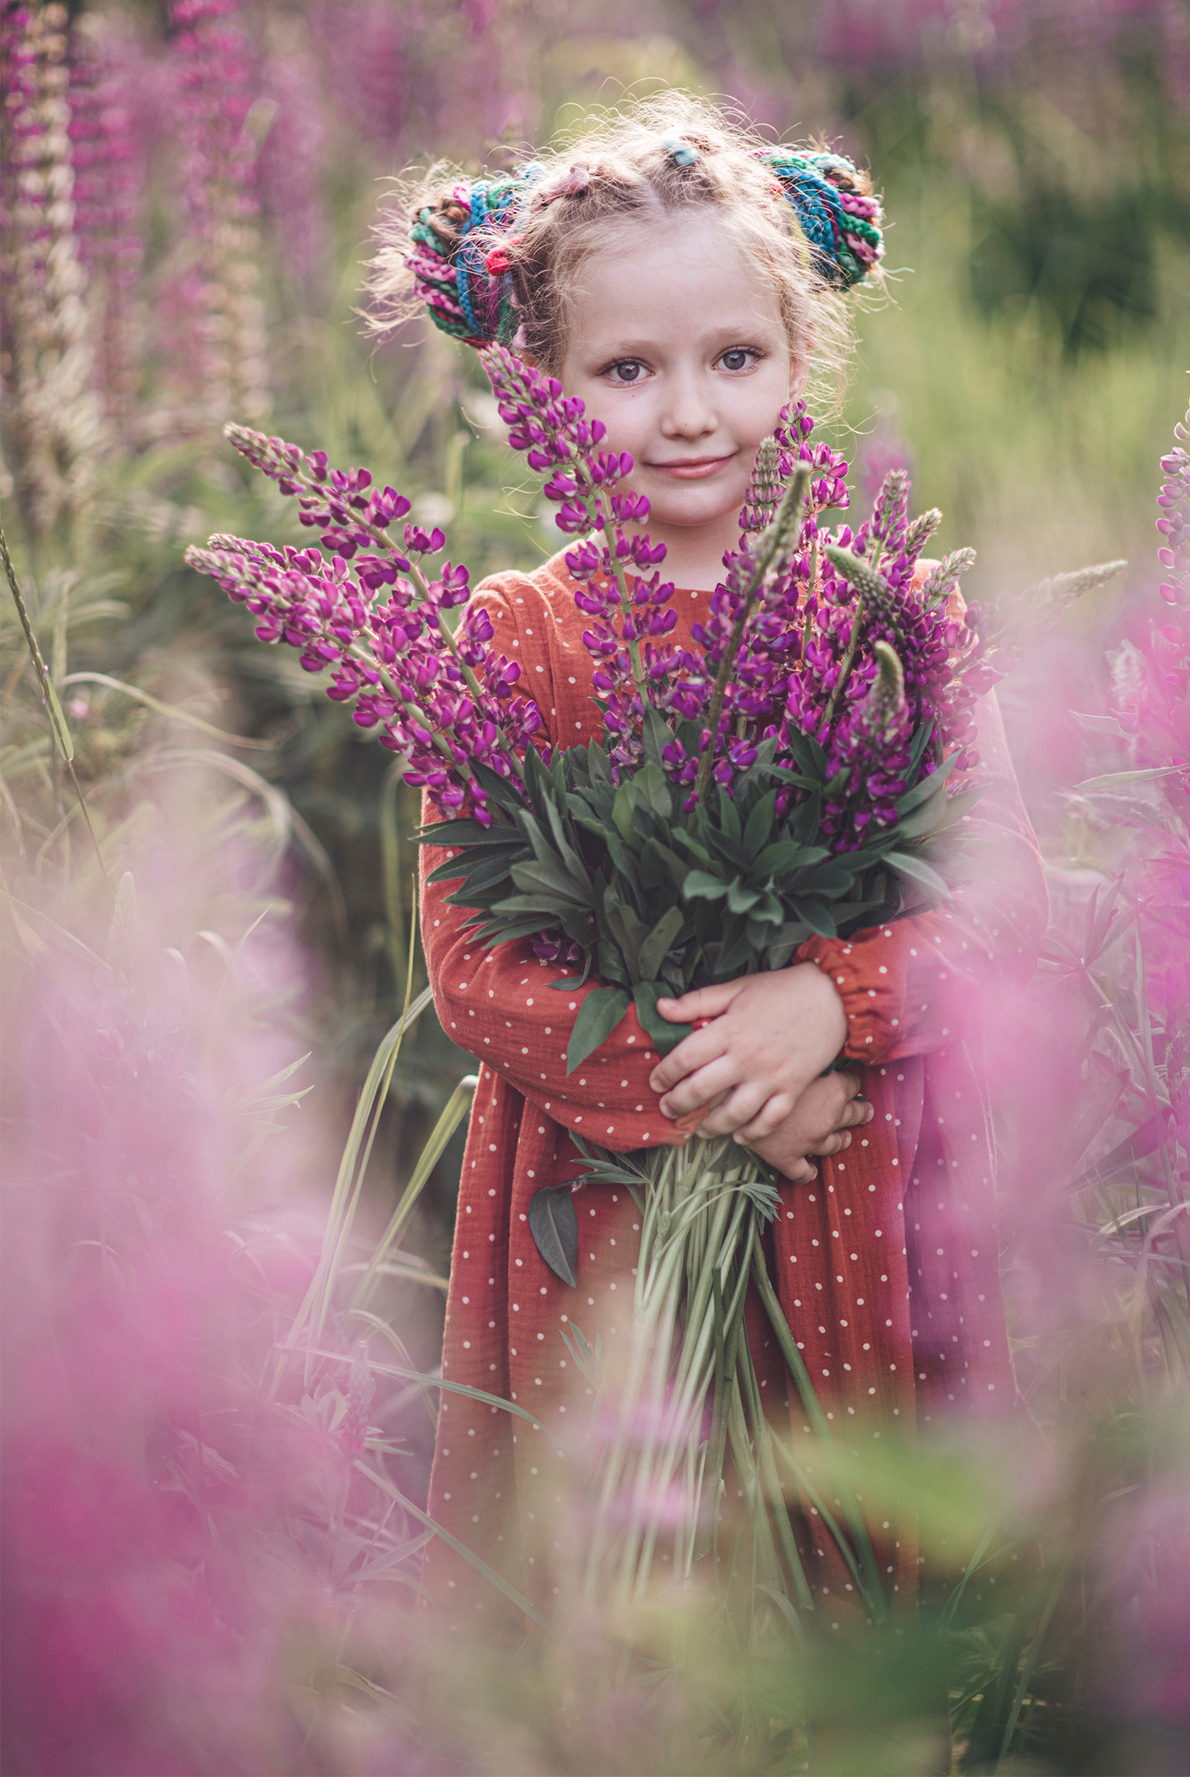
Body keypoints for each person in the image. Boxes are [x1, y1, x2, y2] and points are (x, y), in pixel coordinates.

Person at [380, 95, 1044, 1621]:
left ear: (799, 366)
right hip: (608, 1185)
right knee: (630, 1570)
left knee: (860, 1546)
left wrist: (832, 1011)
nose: (690, 412)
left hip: (857, 1165)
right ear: (535, 392)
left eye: (734, 359)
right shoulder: (511, 640)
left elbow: (1010, 899)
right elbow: (475, 969)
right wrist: (731, 1104)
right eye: (628, 370)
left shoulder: (893, 625)